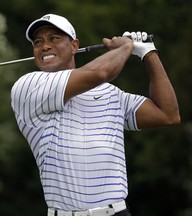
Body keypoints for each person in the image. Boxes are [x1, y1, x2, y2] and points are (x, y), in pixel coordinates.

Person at [10, 14, 180, 216]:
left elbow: (167, 114)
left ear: (74, 46)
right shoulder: (28, 87)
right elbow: (99, 73)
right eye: (38, 42)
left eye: (54, 38)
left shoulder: (111, 94)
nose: (44, 46)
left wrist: (149, 53)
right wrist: (126, 46)